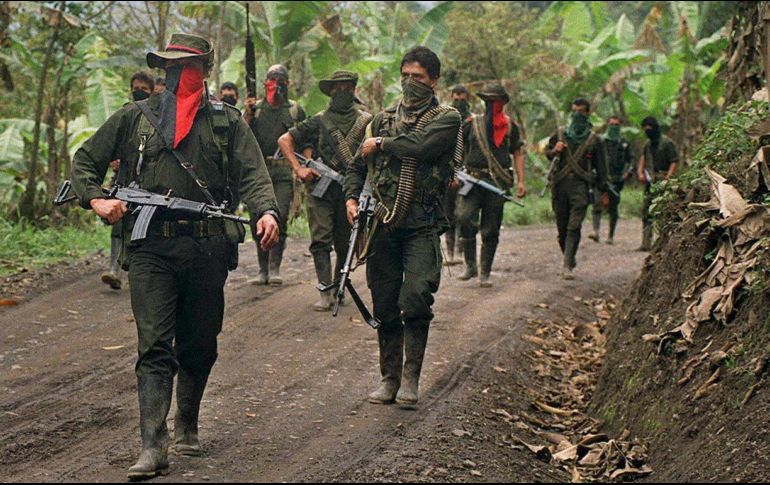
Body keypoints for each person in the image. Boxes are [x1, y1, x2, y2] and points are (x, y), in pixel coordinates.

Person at [70, 34, 280, 480]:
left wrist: (266, 212)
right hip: (151, 249)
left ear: (203, 70)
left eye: (186, 67)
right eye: (170, 66)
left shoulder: (226, 123)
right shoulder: (135, 117)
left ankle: (187, 421)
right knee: (154, 345)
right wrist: (96, 200)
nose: (177, 75)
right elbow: (85, 160)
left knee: (199, 343)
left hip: (206, 248)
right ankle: (153, 444)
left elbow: (254, 175)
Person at [344, 46, 461, 407]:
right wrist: (350, 198)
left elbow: (421, 147)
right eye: (406, 76)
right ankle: (389, 378)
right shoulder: (379, 119)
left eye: (419, 78)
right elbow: (355, 164)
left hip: (421, 223)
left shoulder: (447, 117)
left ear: (434, 81)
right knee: (384, 303)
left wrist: (381, 143)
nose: (411, 84)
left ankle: (411, 378)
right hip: (382, 225)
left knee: (416, 296)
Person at [277, 71, 372, 311]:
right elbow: (284, 140)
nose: (343, 93)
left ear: (354, 90)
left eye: (347, 88)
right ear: (330, 92)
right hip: (322, 189)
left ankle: (339, 285)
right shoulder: (319, 120)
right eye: (338, 89)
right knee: (320, 239)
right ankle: (324, 290)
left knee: (344, 242)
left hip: (351, 191)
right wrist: (298, 169)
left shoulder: (367, 121)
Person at [456, 84, 526, 287]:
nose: (491, 105)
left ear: (502, 103)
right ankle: (470, 266)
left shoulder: (511, 126)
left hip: (497, 183)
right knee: (464, 217)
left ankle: (485, 272)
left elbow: (518, 153)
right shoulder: (471, 123)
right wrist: (455, 173)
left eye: (495, 101)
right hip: (471, 180)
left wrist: (521, 181)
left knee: (491, 228)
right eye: (488, 101)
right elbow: (458, 149)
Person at [244, 64, 306, 285]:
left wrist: (301, 169)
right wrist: (248, 114)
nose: (276, 84)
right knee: (256, 218)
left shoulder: (295, 110)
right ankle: (262, 270)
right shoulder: (256, 109)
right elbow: (241, 137)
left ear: (287, 84)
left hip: (283, 171)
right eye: (272, 79)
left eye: (280, 79)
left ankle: (274, 267)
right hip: (259, 171)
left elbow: (305, 140)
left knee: (277, 215)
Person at [101, 72, 157, 291]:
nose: (138, 90)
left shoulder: (158, 115)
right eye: (135, 87)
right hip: (124, 177)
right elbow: (107, 143)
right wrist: (113, 159)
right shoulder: (124, 114)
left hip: (147, 180)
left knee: (141, 226)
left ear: (152, 91)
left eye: (143, 87)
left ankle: (136, 269)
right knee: (117, 221)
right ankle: (114, 270)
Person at [545, 98, 609, 280]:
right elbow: (548, 155)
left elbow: (602, 168)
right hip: (560, 187)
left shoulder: (594, 140)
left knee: (574, 226)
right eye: (574, 111)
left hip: (581, 188)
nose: (577, 115)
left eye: (581, 111)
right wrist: (554, 150)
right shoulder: (560, 134)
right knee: (562, 229)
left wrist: (603, 191)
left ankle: (567, 265)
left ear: (588, 113)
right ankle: (569, 256)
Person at [588, 115, 635, 245]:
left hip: (617, 180)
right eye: (611, 124)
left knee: (613, 208)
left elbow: (631, 159)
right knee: (597, 204)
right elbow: (591, 157)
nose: (613, 127)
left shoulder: (624, 143)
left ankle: (610, 236)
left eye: (616, 125)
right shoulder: (600, 141)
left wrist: (628, 172)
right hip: (600, 178)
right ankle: (596, 232)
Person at [637, 116, 678, 251]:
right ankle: (646, 243)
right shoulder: (648, 144)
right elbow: (643, 158)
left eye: (649, 128)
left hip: (663, 181)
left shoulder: (667, 143)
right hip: (651, 181)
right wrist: (640, 172)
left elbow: (674, 161)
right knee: (646, 211)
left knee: (663, 212)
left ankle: (662, 243)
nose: (647, 131)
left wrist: (668, 177)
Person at [442, 84, 472, 265]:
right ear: (452, 96)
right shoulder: (444, 118)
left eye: (463, 97)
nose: (460, 100)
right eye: (457, 96)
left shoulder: (472, 121)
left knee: (463, 214)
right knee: (447, 213)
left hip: (467, 175)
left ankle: (460, 252)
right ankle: (450, 252)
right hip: (446, 174)